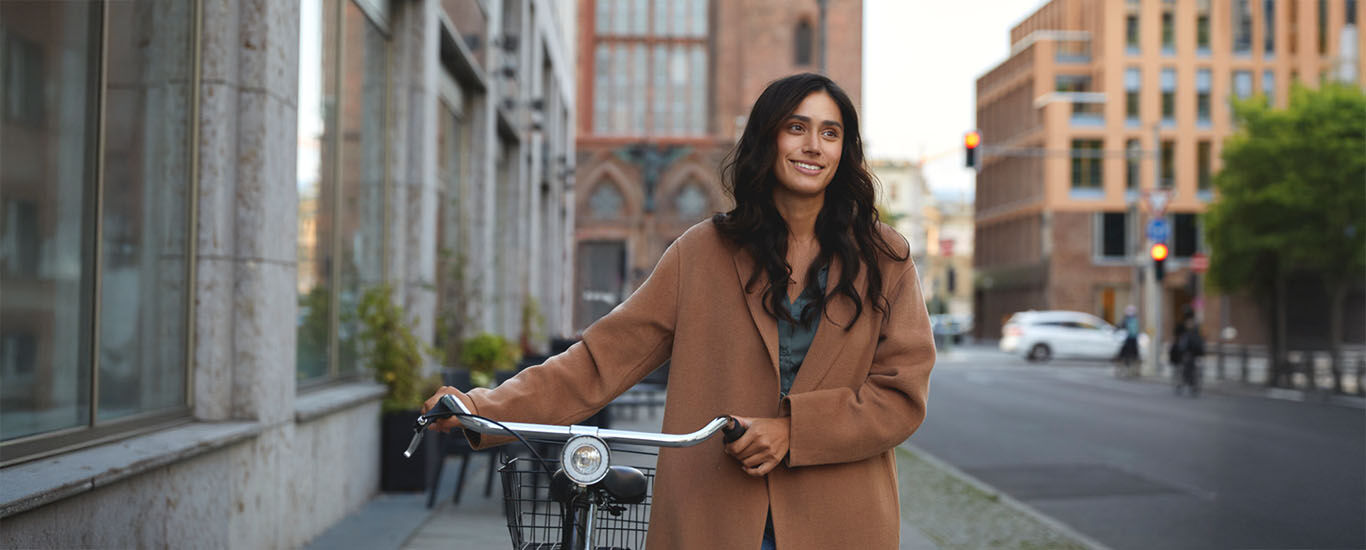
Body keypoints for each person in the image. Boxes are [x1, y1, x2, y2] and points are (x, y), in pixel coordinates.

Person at [421, 73, 935, 549]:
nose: (812, 146)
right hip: (713, 513)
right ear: (767, 139)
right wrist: (484, 409)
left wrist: (794, 431)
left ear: (845, 151)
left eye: (830, 132)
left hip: (841, 518)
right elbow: (602, 359)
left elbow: (901, 394)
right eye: (796, 128)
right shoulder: (703, 251)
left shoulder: (886, 258)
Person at [1170, 310, 1205, 396]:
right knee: (1185, 368)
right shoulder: (1188, 326)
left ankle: (1188, 384)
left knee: (1187, 369)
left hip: (1190, 351)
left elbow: (1198, 339)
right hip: (1187, 352)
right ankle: (1185, 384)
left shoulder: (1193, 327)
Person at [1115, 305, 1140, 377]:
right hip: (1134, 340)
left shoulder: (1127, 319)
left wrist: (1116, 330)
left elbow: (1120, 326)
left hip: (1129, 339)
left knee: (1124, 355)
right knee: (1134, 355)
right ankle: (1134, 370)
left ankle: (1127, 369)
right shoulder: (1135, 319)